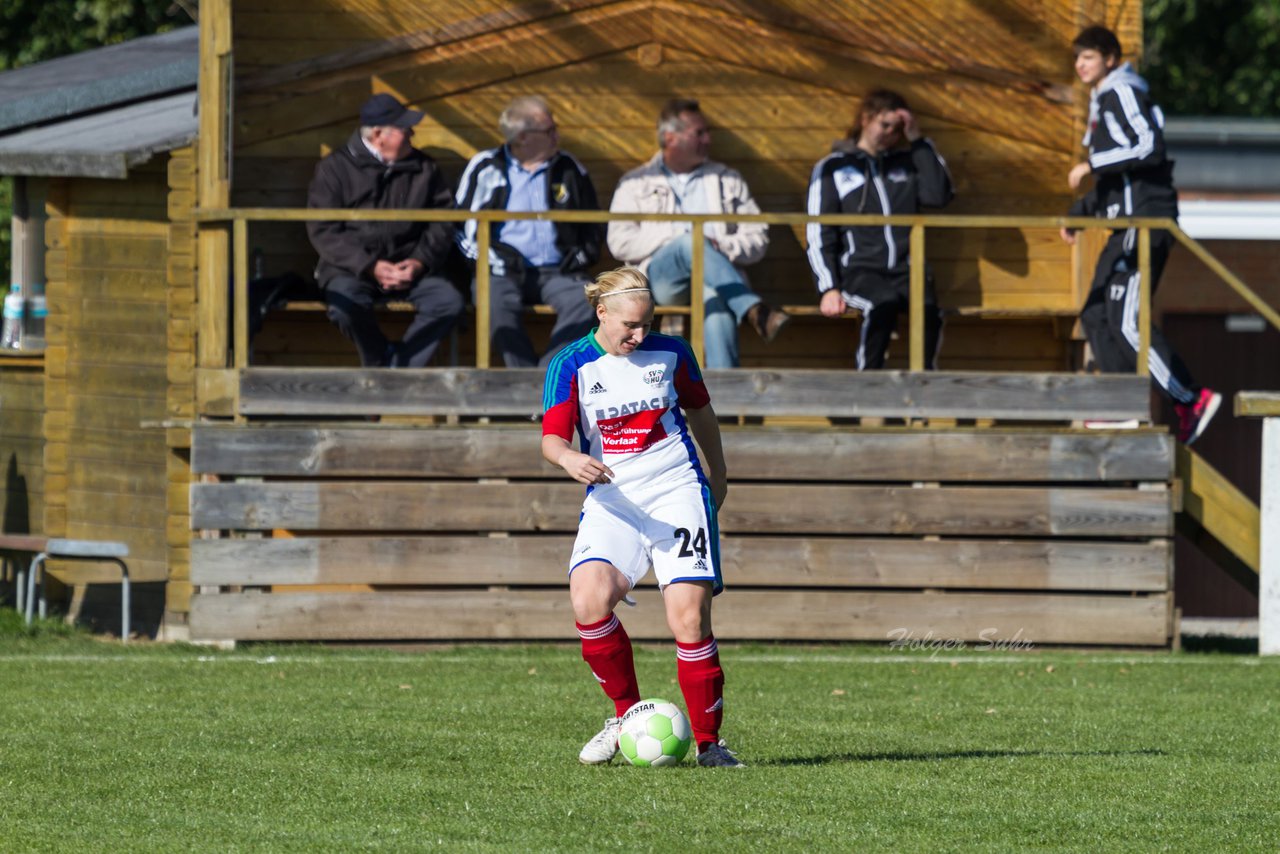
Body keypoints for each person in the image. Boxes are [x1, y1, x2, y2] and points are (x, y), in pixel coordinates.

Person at [540, 266, 743, 768]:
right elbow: (551, 439)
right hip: (613, 498)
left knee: (689, 619)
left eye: (647, 324)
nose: (639, 334)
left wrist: (718, 474)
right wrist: (569, 459)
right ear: (601, 311)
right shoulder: (571, 363)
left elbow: (701, 412)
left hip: (676, 489)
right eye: (629, 325)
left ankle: (709, 744)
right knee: (589, 600)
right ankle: (625, 716)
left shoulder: (673, 353)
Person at [1060, 25, 1220, 444]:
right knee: (1095, 311)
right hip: (1123, 226)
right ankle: (1119, 409)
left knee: (1128, 323)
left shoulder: (1123, 92)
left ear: (1110, 59)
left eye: (1089, 56)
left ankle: (1191, 398)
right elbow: (1116, 179)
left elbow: (1149, 146)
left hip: (1144, 223)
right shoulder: (1102, 103)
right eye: (1077, 57)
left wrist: (1091, 165)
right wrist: (1079, 213)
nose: (1080, 64)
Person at [607, 98, 788, 369]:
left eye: (708, 133)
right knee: (689, 240)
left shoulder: (728, 179)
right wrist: (673, 236)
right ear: (670, 137)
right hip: (661, 281)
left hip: (717, 281)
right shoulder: (637, 181)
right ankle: (752, 308)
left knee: (717, 304)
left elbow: (758, 237)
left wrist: (719, 247)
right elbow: (618, 241)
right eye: (699, 133)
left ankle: (721, 405)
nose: (707, 139)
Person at [306, 93, 464, 368]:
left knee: (448, 302)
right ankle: (379, 363)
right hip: (351, 269)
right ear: (379, 134)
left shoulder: (425, 168)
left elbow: (443, 222)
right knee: (344, 308)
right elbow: (323, 230)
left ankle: (397, 371)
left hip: (410, 268)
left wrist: (419, 262)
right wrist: (369, 265)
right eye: (405, 128)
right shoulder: (334, 168)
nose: (412, 133)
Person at [806, 89, 954, 370]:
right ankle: (869, 387)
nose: (890, 134)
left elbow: (938, 195)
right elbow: (819, 231)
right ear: (866, 119)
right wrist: (828, 287)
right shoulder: (833, 167)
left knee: (929, 312)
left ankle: (925, 385)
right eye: (884, 125)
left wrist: (918, 140)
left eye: (897, 129)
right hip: (859, 270)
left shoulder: (906, 165)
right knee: (881, 305)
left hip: (906, 269)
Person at [455, 96, 600, 367]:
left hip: (559, 271)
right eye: (549, 131)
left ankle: (545, 379)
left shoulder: (569, 167)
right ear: (522, 137)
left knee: (589, 300)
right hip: (502, 271)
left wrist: (582, 255)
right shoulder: (487, 166)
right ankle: (523, 380)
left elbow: (592, 224)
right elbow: (463, 229)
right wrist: (492, 260)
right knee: (492, 303)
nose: (557, 136)